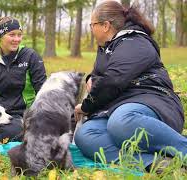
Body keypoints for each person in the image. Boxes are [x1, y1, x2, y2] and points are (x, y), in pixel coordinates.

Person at [74, 1, 186, 172]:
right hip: (116, 107)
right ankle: (155, 163)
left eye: (92, 25)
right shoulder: (106, 48)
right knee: (86, 135)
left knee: (121, 122)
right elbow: (100, 75)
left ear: (105, 25)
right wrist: (91, 78)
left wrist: (87, 106)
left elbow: (113, 80)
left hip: (154, 102)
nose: (91, 29)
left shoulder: (136, 41)